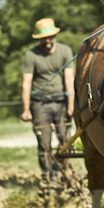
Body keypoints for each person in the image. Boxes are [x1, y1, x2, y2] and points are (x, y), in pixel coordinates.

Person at [21, 18, 75, 186]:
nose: (48, 40)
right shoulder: (31, 55)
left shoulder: (65, 51)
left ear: (54, 36)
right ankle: (47, 177)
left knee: (65, 143)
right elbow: (26, 83)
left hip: (61, 103)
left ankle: (62, 173)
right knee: (44, 144)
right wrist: (26, 109)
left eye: (50, 36)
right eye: (44, 37)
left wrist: (71, 105)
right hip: (40, 105)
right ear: (39, 38)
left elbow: (69, 79)